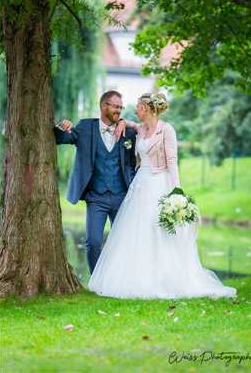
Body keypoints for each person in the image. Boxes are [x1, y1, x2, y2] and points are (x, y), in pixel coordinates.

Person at [87, 93, 237, 300]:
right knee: (135, 231)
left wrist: (176, 193)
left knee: (158, 230)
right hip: (140, 184)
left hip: (160, 183)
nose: (136, 111)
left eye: (138, 107)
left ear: (146, 109)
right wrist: (122, 121)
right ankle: (135, 277)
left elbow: (172, 162)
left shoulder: (167, 130)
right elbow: (130, 123)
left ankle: (163, 277)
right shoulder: (141, 129)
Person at [54, 90, 137, 274]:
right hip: (96, 197)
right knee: (93, 242)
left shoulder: (128, 133)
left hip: (121, 196)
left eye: (121, 107)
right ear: (103, 106)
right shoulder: (85, 127)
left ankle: (122, 277)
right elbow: (61, 138)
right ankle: (96, 280)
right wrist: (61, 126)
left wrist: (133, 187)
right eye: (116, 106)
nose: (119, 110)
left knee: (125, 240)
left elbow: (132, 163)